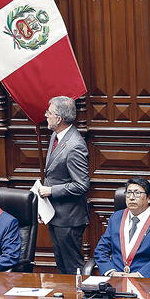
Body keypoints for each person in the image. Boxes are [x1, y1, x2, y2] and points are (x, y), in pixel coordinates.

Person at [38, 96, 90, 275]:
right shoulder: (56, 135)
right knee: (62, 265)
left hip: (69, 219)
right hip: (56, 215)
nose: (46, 115)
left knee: (72, 267)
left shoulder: (74, 146)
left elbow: (81, 185)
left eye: (49, 112)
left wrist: (51, 191)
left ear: (58, 119)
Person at [93, 178, 150, 277]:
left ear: (149, 198)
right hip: (115, 278)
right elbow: (101, 249)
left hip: (145, 279)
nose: (131, 198)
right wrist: (110, 271)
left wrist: (140, 274)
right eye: (128, 193)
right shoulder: (116, 217)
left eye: (137, 193)